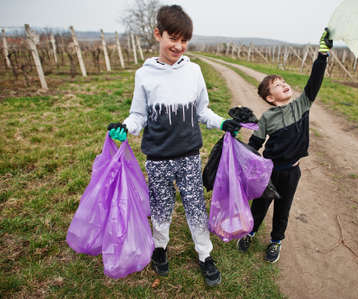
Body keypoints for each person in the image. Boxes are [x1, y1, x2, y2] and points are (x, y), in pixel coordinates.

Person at [107, 5, 241, 286]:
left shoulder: (194, 72)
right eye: (173, 39)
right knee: (161, 206)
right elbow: (138, 115)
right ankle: (160, 248)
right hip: (158, 158)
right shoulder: (144, 75)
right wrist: (125, 127)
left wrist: (222, 123)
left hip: (190, 156)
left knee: (195, 206)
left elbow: (203, 110)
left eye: (184, 40)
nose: (178, 46)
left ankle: (205, 255)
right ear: (159, 34)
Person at [236, 29, 333, 263]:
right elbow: (254, 144)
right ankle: (250, 232)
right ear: (270, 98)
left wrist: (322, 56)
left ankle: (276, 241)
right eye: (277, 85)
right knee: (260, 206)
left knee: (282, 209)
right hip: (269, 171)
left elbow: (314, 82)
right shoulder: (268, 118)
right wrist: (244, 162)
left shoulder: (302, 105)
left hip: (291, 171)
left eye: (283, 82)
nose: (284, 85)